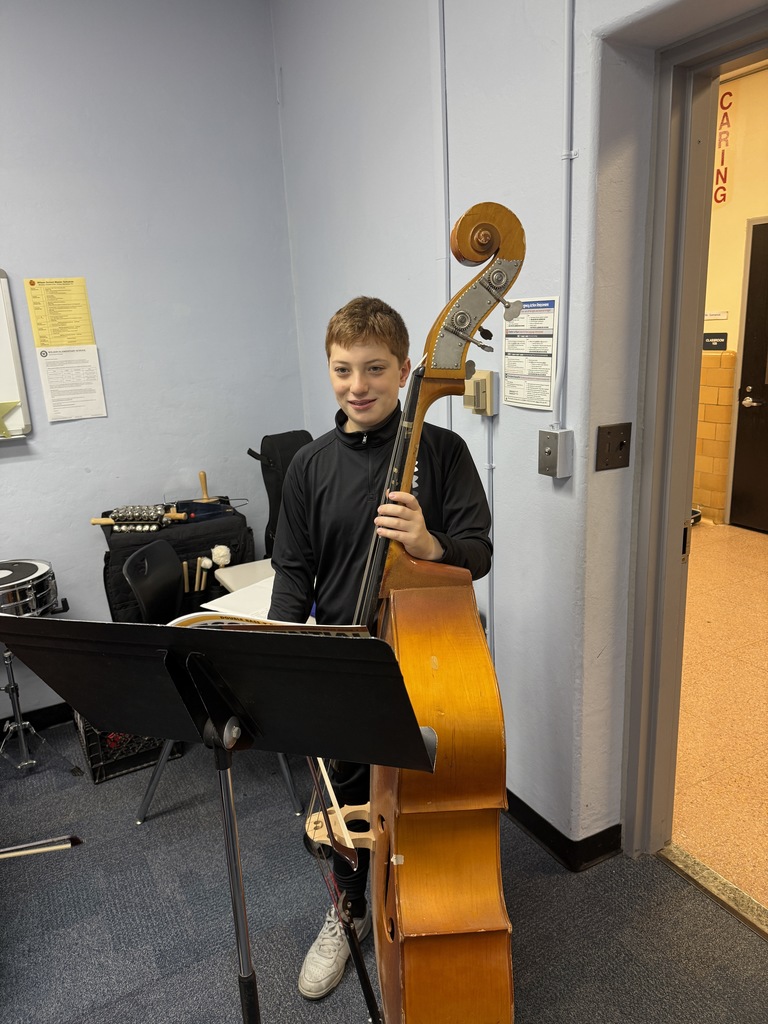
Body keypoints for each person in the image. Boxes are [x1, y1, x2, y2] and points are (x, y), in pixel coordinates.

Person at [268, 295, 493, 1000]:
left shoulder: (444, 452)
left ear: (403, 372)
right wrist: (282, 657)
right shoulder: (309, 465)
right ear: (330, 370)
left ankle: (432, 899)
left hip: (425, 659)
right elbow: (294, 569)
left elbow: (477, 554)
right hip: (344, 655)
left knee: (431, 796)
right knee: (344, 808)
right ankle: (349, 910)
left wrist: (428, 543)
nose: (357, 385)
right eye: (343, 369)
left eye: (374, 368)